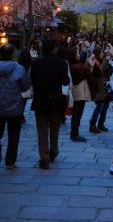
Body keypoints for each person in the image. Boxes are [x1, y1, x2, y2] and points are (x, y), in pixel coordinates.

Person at [31, 39, 69, 169]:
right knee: (54, 128)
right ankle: (53, 150)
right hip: (56, 100)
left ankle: (44, 156)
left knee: (42, 130)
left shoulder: (36, 63)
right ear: (54, 48)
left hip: (40, 100)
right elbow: (65, 81)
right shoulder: (61, 63)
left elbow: (33, 80)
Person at [0, 44, 30, 170]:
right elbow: (25, 86)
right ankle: (10, 161)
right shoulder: (19, 69)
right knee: (13, 135)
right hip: (14, 107)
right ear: (13, 54)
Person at [68, 47, 91, 142]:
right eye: (77, 53)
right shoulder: (74, 66)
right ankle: (74, 133)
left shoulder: (76, 65)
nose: (79, 54)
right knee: (77, 112)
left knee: (78, 113)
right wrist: (89, 64)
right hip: (78, 90)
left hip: (80, 90)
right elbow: (83, 74)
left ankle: (75, 133)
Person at [89, 47, 113, 133]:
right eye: (101, 52)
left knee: (106, 106)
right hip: (99, 86)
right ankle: (92, 124)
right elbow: (101, 70)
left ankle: (101, 123)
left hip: (105, 85)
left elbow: (110, 70)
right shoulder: (94, 61)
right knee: (99, 106)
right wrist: (106, 61)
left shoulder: (103, 61)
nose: (103, 54)